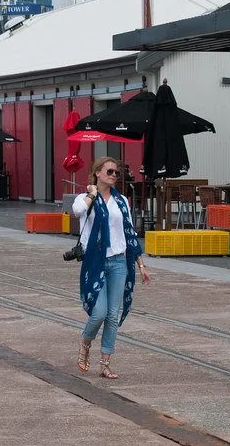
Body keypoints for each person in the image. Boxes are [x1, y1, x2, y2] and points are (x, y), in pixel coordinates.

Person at [71, 157, 148, 380]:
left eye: (117, 172)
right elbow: (76, 211)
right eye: (110, 171)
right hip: (95, 261)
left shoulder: (122, 200)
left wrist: (141, 264)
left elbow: (130, 233)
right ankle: (86, 342)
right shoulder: (86, 199)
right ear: (97, 173)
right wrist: (92, 194)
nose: (114, 175)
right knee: (99, 314)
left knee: (113, 316)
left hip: (118, 261)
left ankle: (105, 363)